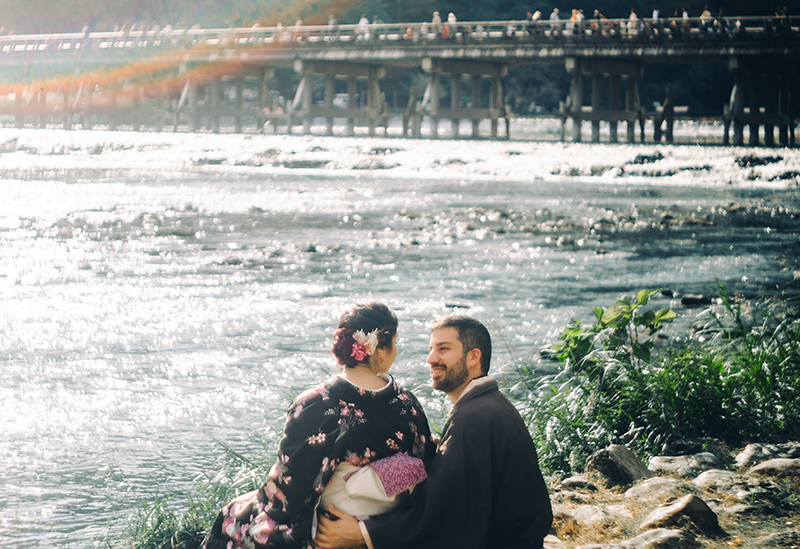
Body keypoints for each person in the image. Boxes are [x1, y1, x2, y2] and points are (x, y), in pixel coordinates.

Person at [202, 303, 436, 549]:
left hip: (326, 529)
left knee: (232, 514)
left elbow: (290, 491)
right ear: (379, 350)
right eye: (395, 343)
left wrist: (259, 500)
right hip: (384, 529)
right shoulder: (408, 404)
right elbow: (423, 466)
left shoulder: (317, 403)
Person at [315, 315, 553, 549]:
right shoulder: (489, 407)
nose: (431, 359)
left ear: (473, 356)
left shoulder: (473, 418)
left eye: (443, 348)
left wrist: (363, 533)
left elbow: (442, 512)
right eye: (431, 349)